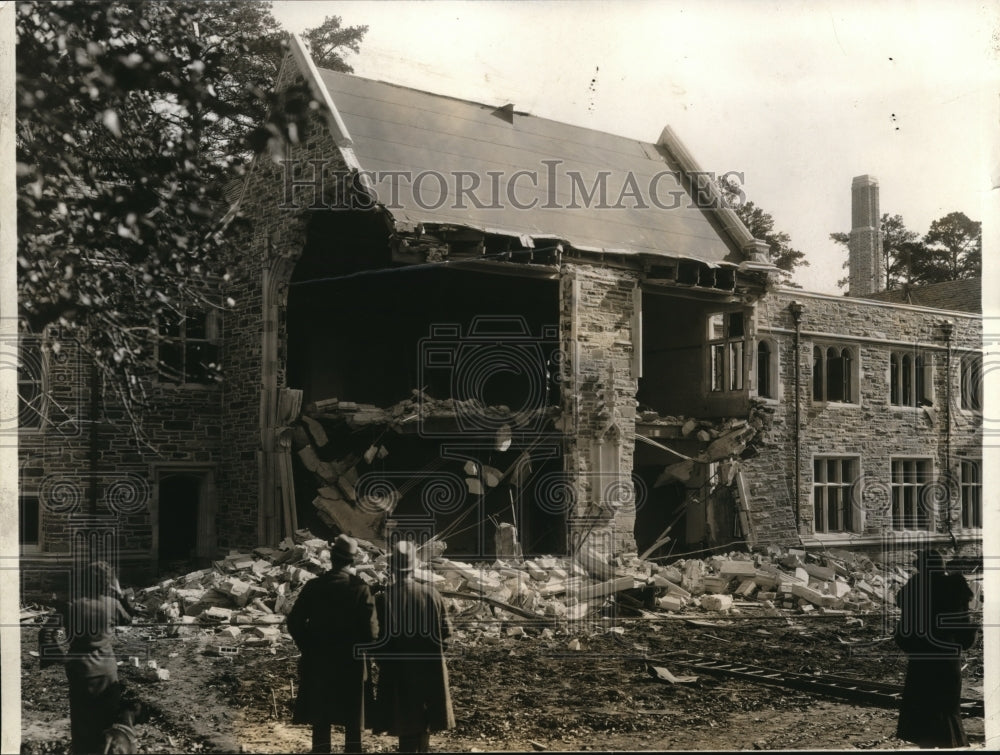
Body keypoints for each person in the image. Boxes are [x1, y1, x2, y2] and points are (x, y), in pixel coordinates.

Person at [287, 534, 378, 754]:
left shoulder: (314, 586)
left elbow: (294, 621)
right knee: (353, 720)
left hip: (319, 661)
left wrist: (308, 646)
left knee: (321, 719)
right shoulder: (360, 589)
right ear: (353, 561)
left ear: (332, 558)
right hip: (352, 664)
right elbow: (372, 632)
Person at [372, 539, 455, 753]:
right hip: (429, 671)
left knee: (406, 726)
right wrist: (434, 657)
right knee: (424, 722)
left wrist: (384, 664)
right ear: (414, 568)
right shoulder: (432, 594)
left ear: (393, 569)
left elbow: (380, 640)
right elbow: (447, 634)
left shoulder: (385, 598)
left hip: (399, 672)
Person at [894, 548, 978, 748]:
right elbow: (965, 634)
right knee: (946, 711)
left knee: (924, 716)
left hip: (921, 661)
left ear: (921, 567)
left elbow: (902, 634)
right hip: (947, 660)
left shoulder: (914, 587)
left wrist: (915, 648)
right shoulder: (955, 588)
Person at [60, 561, 133, 754]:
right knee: (106, 719)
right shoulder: (112, 604)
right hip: (105, 669)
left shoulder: (71, 605)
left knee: (81, 720)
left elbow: (69, 635)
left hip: (79, 668)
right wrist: (119, 593)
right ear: (107, 583)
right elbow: (129, 618)